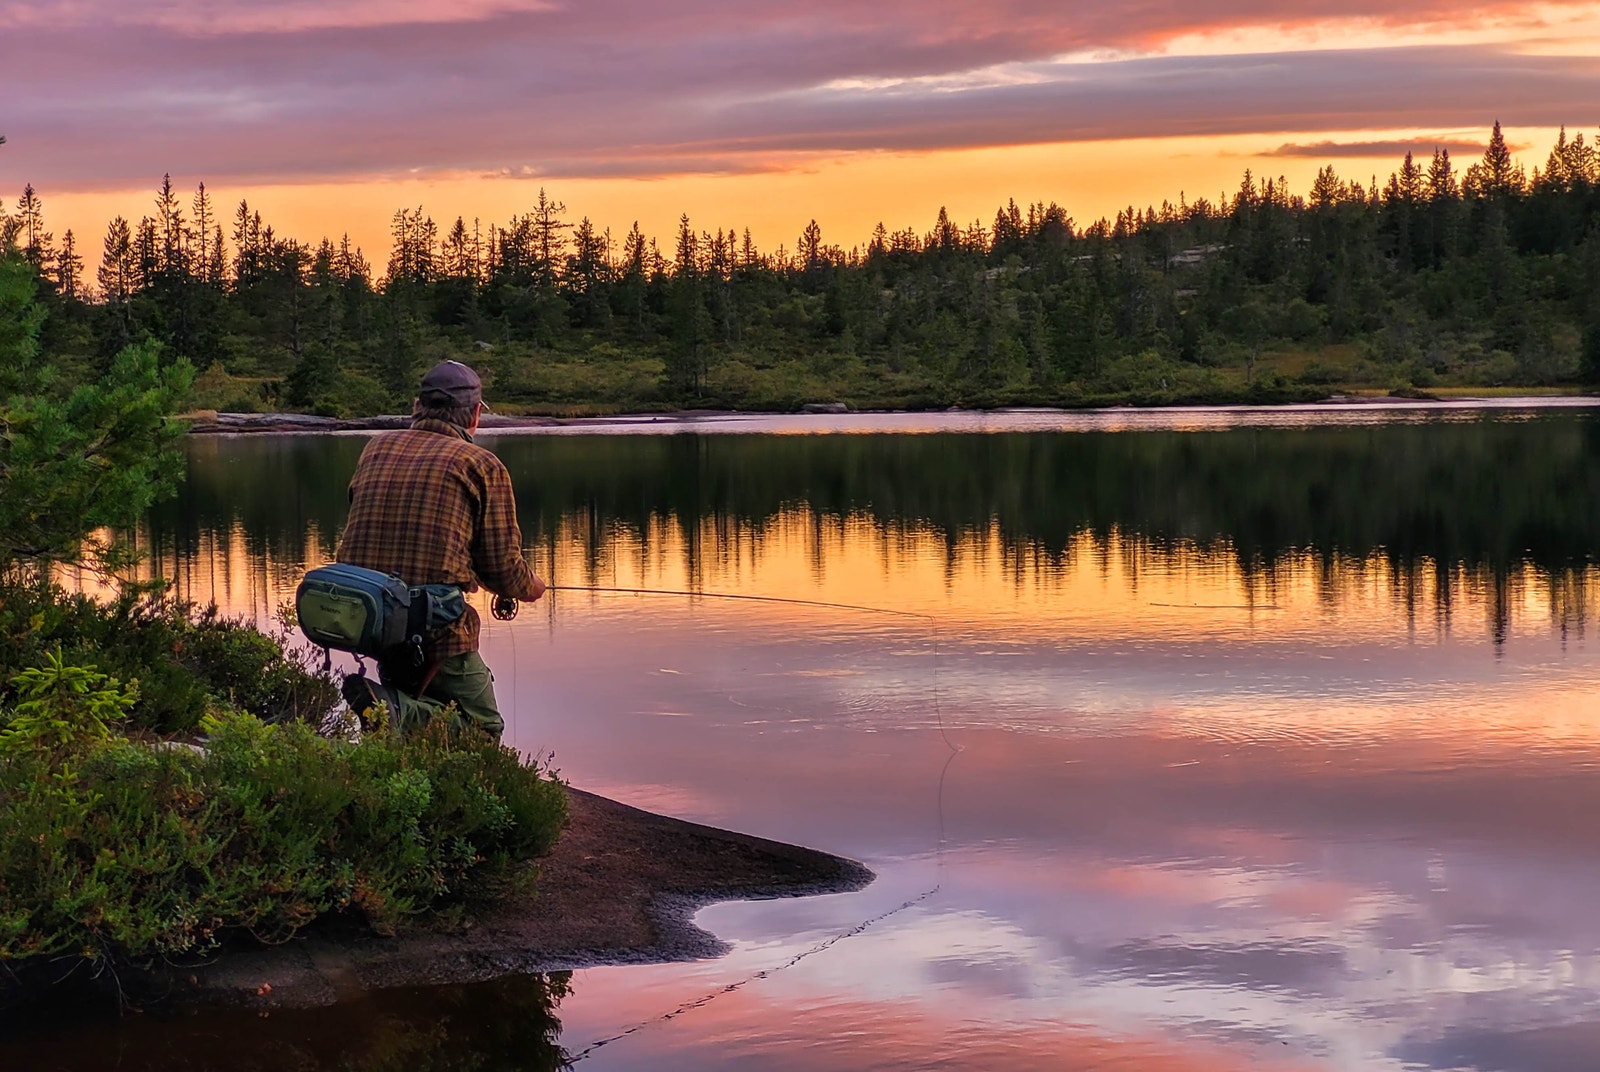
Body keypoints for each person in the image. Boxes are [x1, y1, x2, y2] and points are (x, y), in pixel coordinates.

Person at [336, 359, 545, 737]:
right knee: (482, 729)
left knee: (406, 723)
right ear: (475, 415)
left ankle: (392, 711)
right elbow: (502, 568)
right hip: (433, 629)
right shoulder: (481, 465)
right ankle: (390, 706)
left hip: (370, 620)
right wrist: (530, 588)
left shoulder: (375, 448)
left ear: (418, 406)